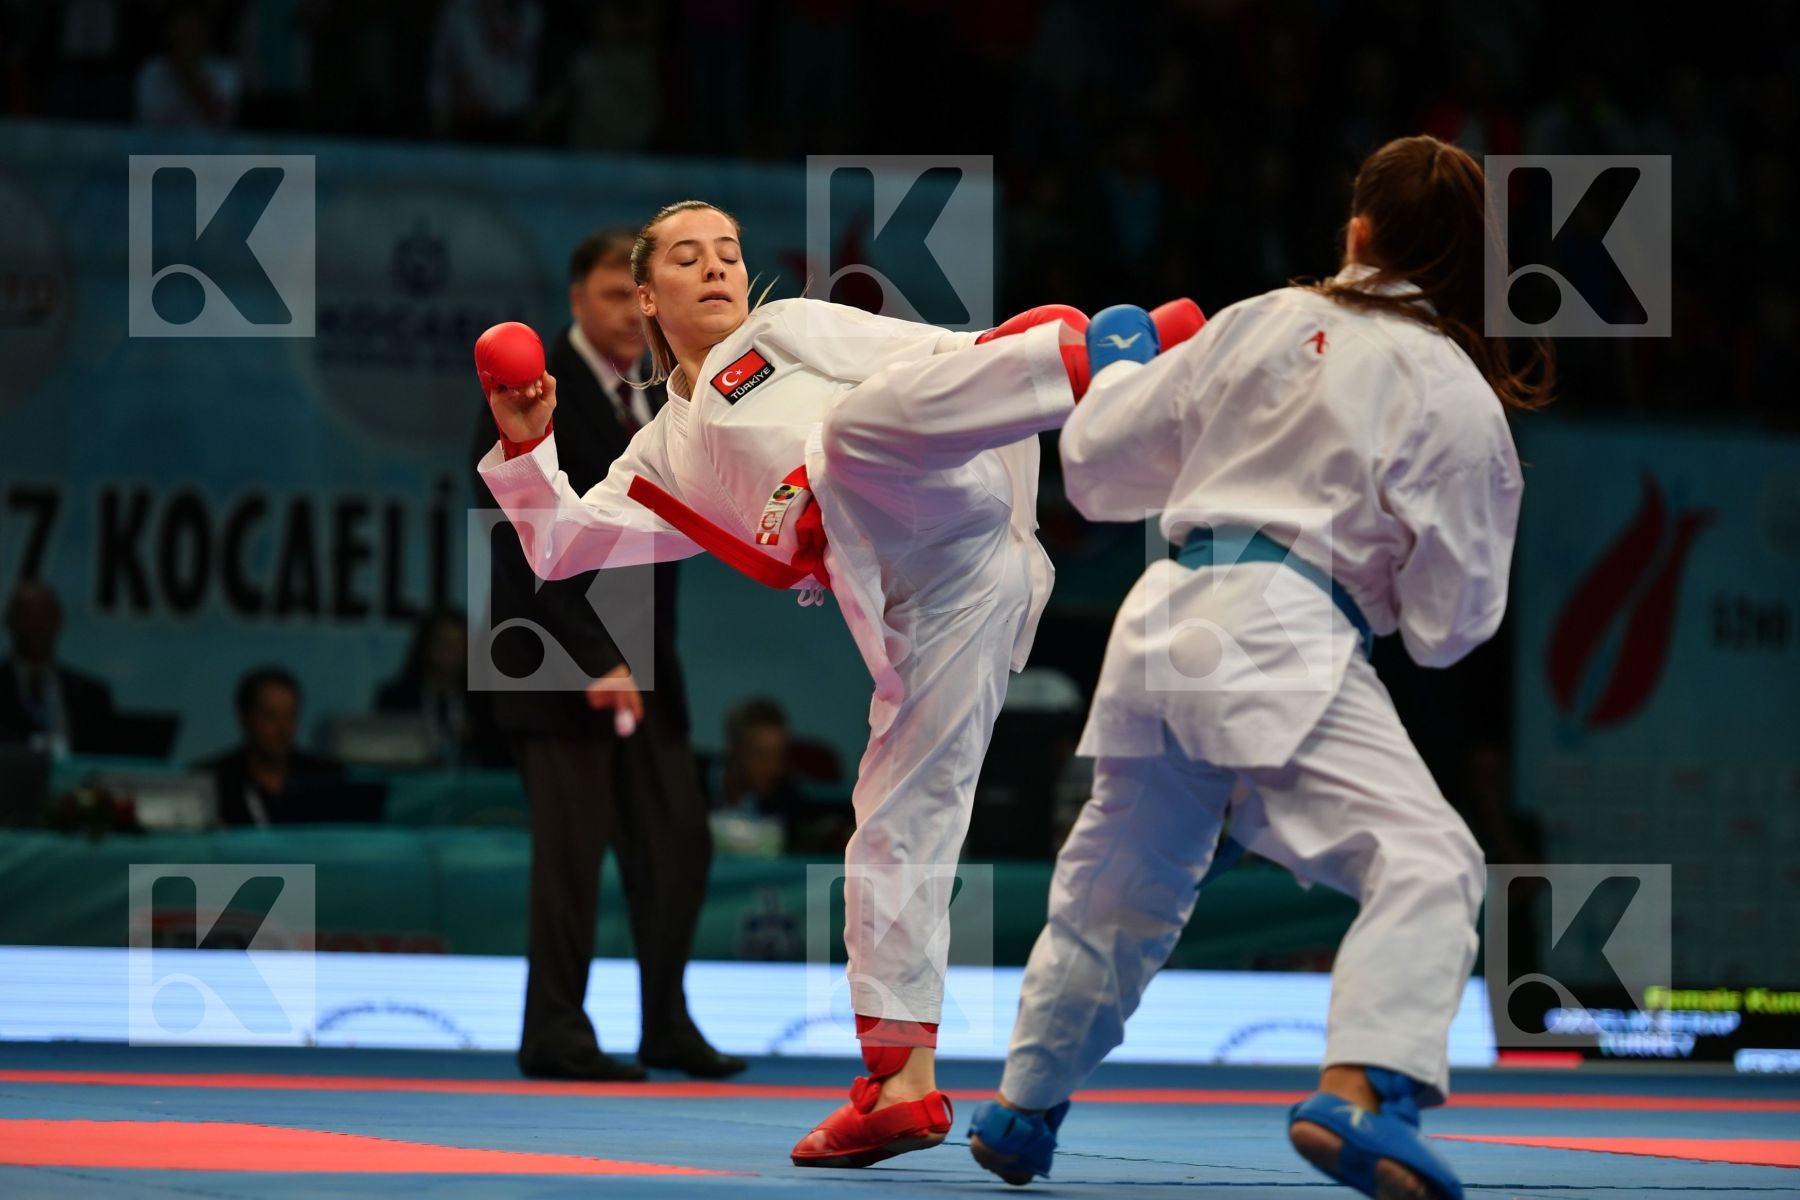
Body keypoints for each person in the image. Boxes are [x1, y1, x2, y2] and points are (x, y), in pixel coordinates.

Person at [476, 198, 1204, 1167]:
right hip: (934, 602)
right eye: (689, 259)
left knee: (858, 427)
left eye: (729, 252)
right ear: (647, 296)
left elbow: (940, 355)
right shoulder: (664, 454)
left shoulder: (788, 328)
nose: (719, 268)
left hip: (950, 484)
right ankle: (901, 1085)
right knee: (896, 825)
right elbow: (561, 546)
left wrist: (1049, 349)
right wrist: (527, 446)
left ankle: (1102, 371)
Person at [966, 136, 1553, 1200]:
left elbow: (1095, 476)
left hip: (1161, 623)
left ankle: (1022, 1108)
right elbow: (1450, 628)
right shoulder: (1457, 394)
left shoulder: (1257, 319)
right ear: (1467, 263)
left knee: (1119, 888)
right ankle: (1362, 1095)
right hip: (1283, 631)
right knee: (1430, 863)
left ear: (1358, 231)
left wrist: (1128, 366)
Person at [471, 227, 741, 1083]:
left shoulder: (662, 393)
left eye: (640, 296)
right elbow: (519, 538)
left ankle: (665, 1022)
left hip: (646, 652)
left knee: (679, 841)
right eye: (615, 296)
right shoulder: (532, 386)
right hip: (550, 653)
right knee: (573, 851)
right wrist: (593, 657)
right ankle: (555, 1032)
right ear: (578, 299)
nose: (632, 313)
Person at [201, 667, 346, 827]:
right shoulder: (213, 782)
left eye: (290, 715)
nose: (282, 728)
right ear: (245, 717)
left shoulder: (327, 779)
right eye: (270, 716)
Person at [373, 607, 506, 767]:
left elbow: (500, 758)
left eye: (460, 644)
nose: (451, 652)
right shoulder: (396, 698)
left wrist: (475, 736)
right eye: (444, 643)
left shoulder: (484, 702)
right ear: (425, 646)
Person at [0, 580, 115, 755]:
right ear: (10, 620)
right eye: (27, 615)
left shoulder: (91, 695)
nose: (36, 625)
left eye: (44, 615)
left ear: (58, 621)